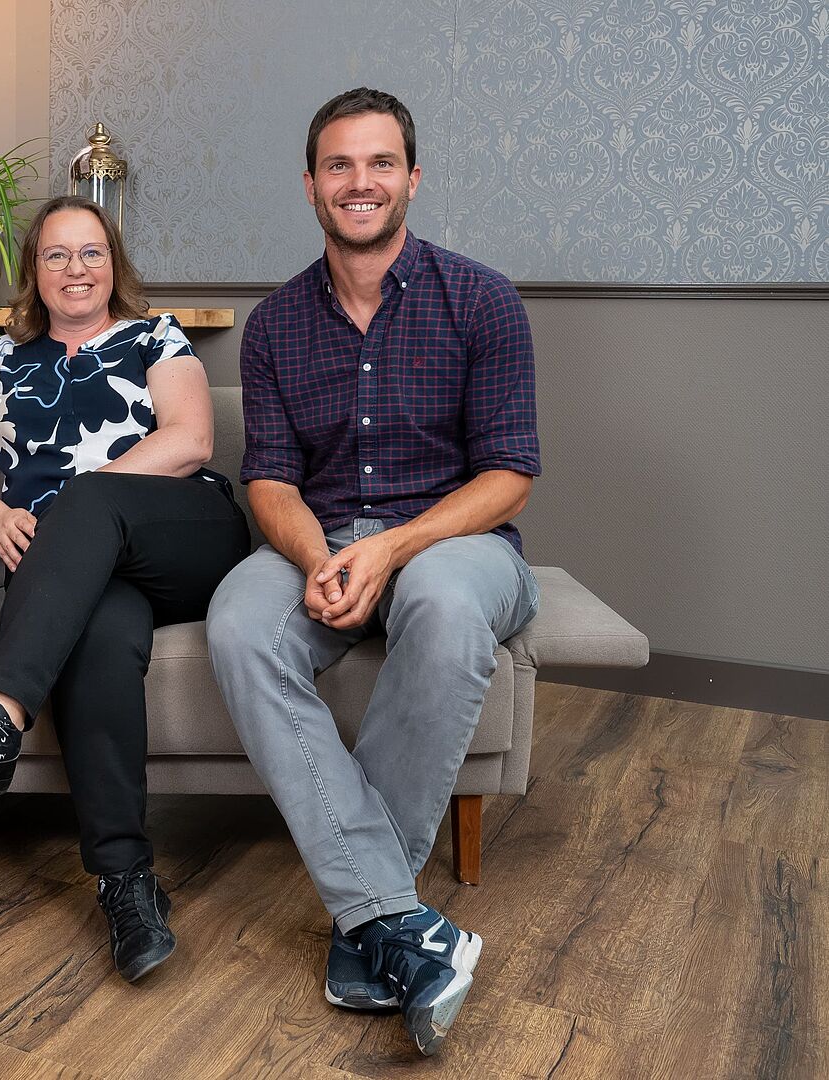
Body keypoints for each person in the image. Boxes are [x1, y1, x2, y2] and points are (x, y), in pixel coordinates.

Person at [204, 88, 542, 1055]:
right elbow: (269, 479)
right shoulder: (275, 324)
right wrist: (318, 558)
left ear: (412, 178)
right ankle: (394, 920)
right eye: (340, 166)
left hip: (458, 542)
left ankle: (368, 916)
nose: (361, 182)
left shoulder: (481, 299)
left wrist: (392, 548)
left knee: (440, 604)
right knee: (240, 623)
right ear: (311, 185)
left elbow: (510, 475)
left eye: (380, 163)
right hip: (320, 534)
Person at [0, 195, 250, 983]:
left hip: (181, 535)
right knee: (99, 639)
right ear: (35, 270)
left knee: (88, 500)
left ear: (113, 264)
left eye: (91, 252)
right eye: (56, 255)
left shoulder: (154, 335)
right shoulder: (0, 360)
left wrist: (76, 506)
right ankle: (126, 882)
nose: (76, 269)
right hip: (83, 572)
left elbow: (191, 439)